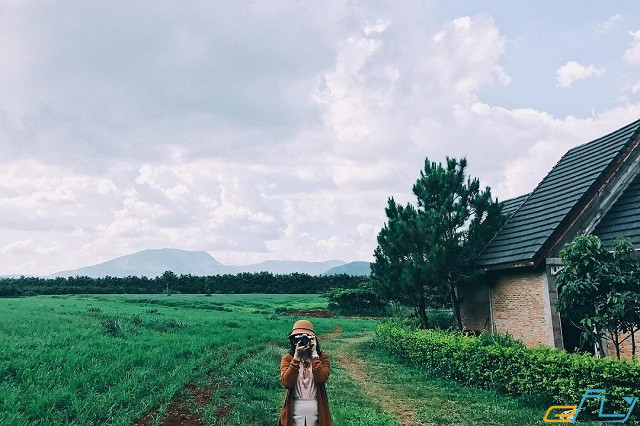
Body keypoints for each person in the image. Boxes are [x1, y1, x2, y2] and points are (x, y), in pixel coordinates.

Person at [279, 320, 331, 426]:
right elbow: (286, 383)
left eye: (306, 338)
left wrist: (314, 354)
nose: (302, 341)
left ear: (314, 339)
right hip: (294, 407)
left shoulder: (322, 358)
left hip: (316, 406)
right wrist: (296, 357)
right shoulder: (288, 359)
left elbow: (321, 379)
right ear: (293, 341)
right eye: (297, 339)